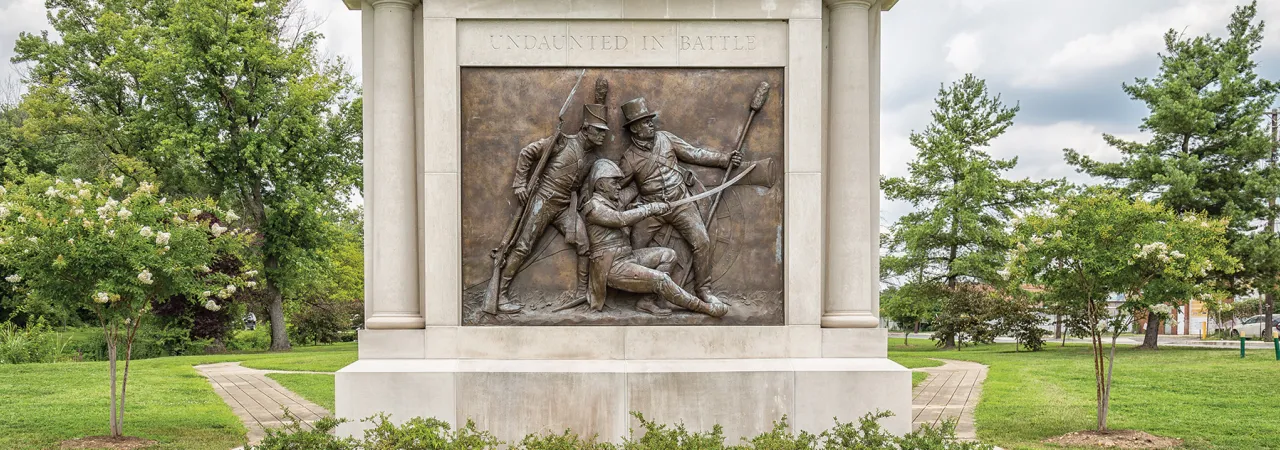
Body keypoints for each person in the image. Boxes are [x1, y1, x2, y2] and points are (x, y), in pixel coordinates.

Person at [616, 97, 741, 308]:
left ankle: (704, 290)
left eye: (650, 121)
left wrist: (724, 159)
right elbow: (617, 186)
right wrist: (626, 207)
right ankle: (643, 297)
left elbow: (695, 154)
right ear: (635, 129)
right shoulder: (629, 158)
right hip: (652, 209)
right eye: (646, 122)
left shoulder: (666, 138)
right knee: (632, 251)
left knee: (702, 241)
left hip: (681, 203)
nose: (651, 125)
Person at [492, 103, 610, 314]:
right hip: (543, 201)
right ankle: (499, 295)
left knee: (584, 244)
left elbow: (583, 187)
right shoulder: (562, 142)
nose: (603, 135)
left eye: (604, 131)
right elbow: (527, 153)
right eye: (599, 130)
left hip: (565, 207)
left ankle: (581, 293)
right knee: (523, 247)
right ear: (586, 128)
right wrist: (519, 184)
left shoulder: (592, 158)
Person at [579, 158, 728, 317]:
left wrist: (635, 207)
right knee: (661, 280)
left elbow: (622, 216)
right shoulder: (594, 207)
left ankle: (647, 301)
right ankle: (703, 307)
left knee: (668, 255)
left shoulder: (611, 204)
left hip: (627, 257)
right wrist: (650, 208)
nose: (619, 186)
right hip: (611, 266)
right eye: (614, 183)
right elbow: (620, 219)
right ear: (601, 185)